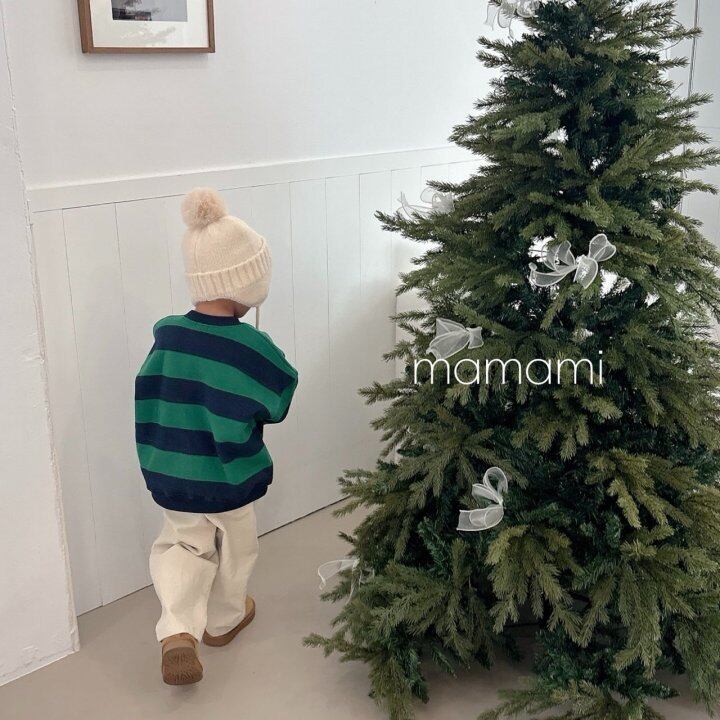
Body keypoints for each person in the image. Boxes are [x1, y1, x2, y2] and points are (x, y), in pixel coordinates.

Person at [134, 188, 298, 685]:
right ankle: (224, 620)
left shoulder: (168, 336)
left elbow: (150, 391)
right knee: (236, 546)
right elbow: (279, 398)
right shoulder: (250, 348)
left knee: (183, 545)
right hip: (229, 476)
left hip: (173, 472)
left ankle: (178, 630)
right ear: (247, 282)